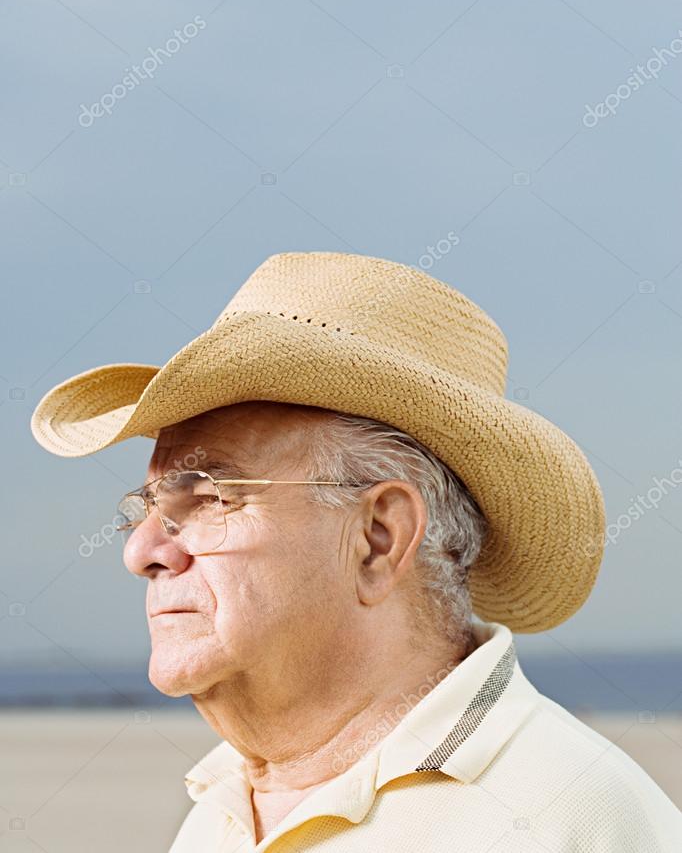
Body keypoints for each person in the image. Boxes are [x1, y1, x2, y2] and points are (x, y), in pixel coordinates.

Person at [31, 250, 682, 851]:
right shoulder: (220, 811)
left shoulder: (574, 819)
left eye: (208, 496)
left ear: (378, 537)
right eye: (146, 508)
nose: (141, 551)